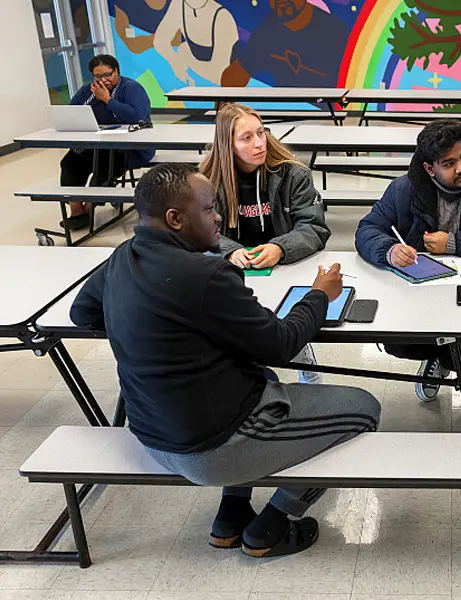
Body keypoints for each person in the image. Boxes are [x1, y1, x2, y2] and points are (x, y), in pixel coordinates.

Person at [70, 163, 380, 557]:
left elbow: (83, 314)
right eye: (208, 209)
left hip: (150, 435)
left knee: (259, 374)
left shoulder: (122, 257)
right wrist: (320, 294)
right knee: (366, 410)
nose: (218, 217)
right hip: (209, 450)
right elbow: (281, 343)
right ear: (175, 218)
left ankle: (231, 514)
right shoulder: (208, 274)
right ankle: (274, 525)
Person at [355, 119, 461, 401]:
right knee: (405, 338)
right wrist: (389, 250)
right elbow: (367, 230)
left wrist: (452, 243)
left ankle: (452, 360)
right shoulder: (404, 189)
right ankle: (440, 358)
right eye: (449, 164)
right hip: (423, 291)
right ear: (429, 169)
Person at [199, 102, 330, 383]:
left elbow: (314, 227)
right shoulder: (207, 181)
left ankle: (300, 346)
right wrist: (230, 252)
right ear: (227, 144)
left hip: (287, 264)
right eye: (247, 138)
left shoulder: (293, 174)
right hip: (236, 270)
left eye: (261, 133)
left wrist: (280, 248)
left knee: (288, 311)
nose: (260, 143)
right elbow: (197, 230)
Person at [59, 54, 152, 230]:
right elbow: (71, 113)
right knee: (70, 162)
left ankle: (90, 207)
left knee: (104, 163)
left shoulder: (131, 88)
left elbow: (138, 117)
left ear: (116, 71)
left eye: (107, 75)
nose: (103, 80)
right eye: (98, 76)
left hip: (128, 148)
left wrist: (107, 100)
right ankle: (77, 210)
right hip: (97, 145)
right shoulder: (88, 91)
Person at [220, 0, 349, 88]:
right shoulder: (267, 31)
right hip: (286, 115)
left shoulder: (336, 32)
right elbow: (236, 76)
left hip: (327, 117)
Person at [153, 0, 238, 85]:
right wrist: (175, 61)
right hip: (196, 80)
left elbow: (219, 75)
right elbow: (160, 41)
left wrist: (185, 57)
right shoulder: (178, 4)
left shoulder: (223, 17)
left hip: (228, 88)